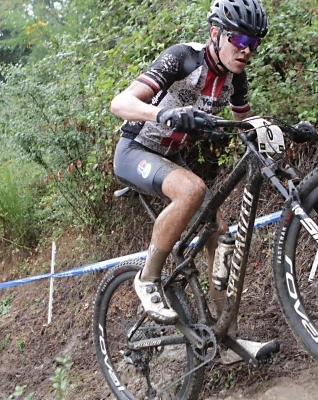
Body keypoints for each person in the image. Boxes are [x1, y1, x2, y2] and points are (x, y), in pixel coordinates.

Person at [110, 0, 279, 363]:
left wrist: (275, 128)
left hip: (171, 157)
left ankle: (226, 338)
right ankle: (147, 277)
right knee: (193, 189)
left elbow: (244, 122)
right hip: (135, 149)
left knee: (220, 237)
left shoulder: (236, 74)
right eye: (240, 40)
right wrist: (163, 113)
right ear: (216, 34)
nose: (247, 50)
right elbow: (119, 103)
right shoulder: (182, 58)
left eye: (254, 43)